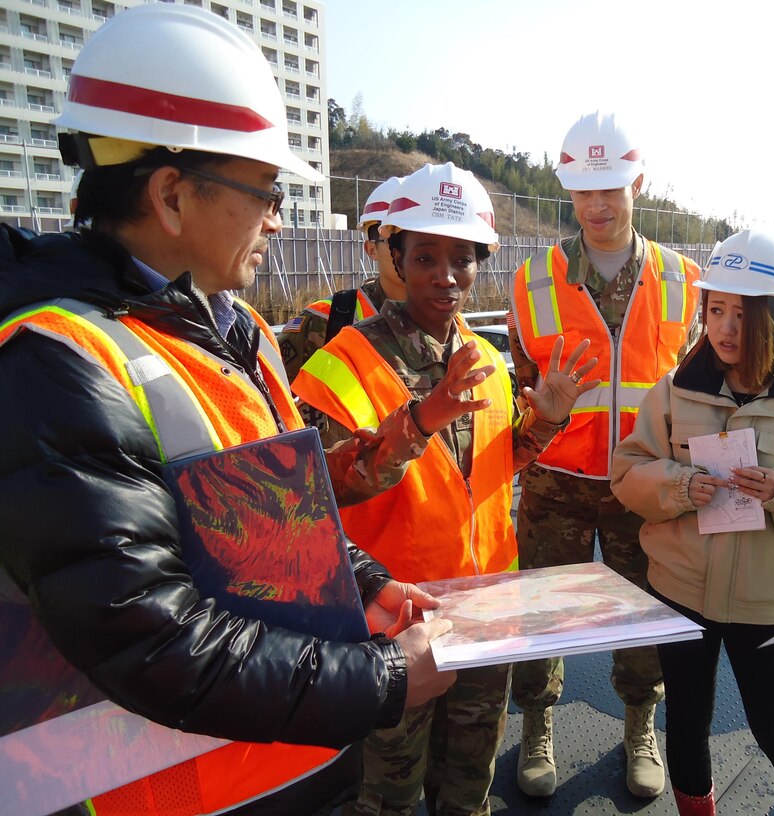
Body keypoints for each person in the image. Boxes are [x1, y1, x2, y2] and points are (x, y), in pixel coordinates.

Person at [0, 6, 454, 815]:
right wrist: (383, 681)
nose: (279, 218)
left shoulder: (231, 330)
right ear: (172, 194)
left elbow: (276, 520)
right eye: (266, 192)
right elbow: (150, 636)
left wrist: (366, 581)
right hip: (170, 795)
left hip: (288, 766)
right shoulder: (58, 365)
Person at [292, 161, 598, 816]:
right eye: (425, 255)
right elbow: (323, 489)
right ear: (396, 256)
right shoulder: (344, 359)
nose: (445, 274)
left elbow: (495, 465)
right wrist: (420, 421)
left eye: (462, 259)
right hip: (400, 620)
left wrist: (545, 416)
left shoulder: (485, 359)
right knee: (391, 795)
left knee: (469, 789)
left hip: (486, 615)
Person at [611, 229, 774, 816]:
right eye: (716, 309)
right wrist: (680, 486)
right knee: (686, 726)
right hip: (679, 591)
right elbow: (627, 469)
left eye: (745, 313)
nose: (725, 329)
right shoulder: (675, 390)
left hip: (767, 602)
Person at [507, 110, 701, 799]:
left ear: (637, 184)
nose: (595, 205)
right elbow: (518, 385)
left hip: (641, 484)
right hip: (556, 480)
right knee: (538, 614)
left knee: (644, 613)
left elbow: (698, 392)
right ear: (567, 190)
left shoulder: (684, 280)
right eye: (582, 190)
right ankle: (535, 724)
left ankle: (639, 726)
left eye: (610, 188)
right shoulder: (531, 281)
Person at [278, 175, 408, 422]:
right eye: (397, 239)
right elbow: (276, 407)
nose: (409, 250)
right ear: (371, 248)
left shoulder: (451, 328)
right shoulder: (323, 321)